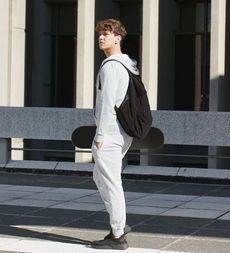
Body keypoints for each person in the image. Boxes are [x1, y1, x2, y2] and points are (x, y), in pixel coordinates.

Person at [90, 19, 139, 250]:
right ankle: (117, 224)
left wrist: (100, 136)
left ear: (118, 38)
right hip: (120, 132)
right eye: (100, 33)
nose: (101, 37)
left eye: (107, 34)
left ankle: (118, 234)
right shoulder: (127, 64)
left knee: (111, 182)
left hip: (109, 133)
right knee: (101, 178)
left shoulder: (111, 66)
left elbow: (108, 102)